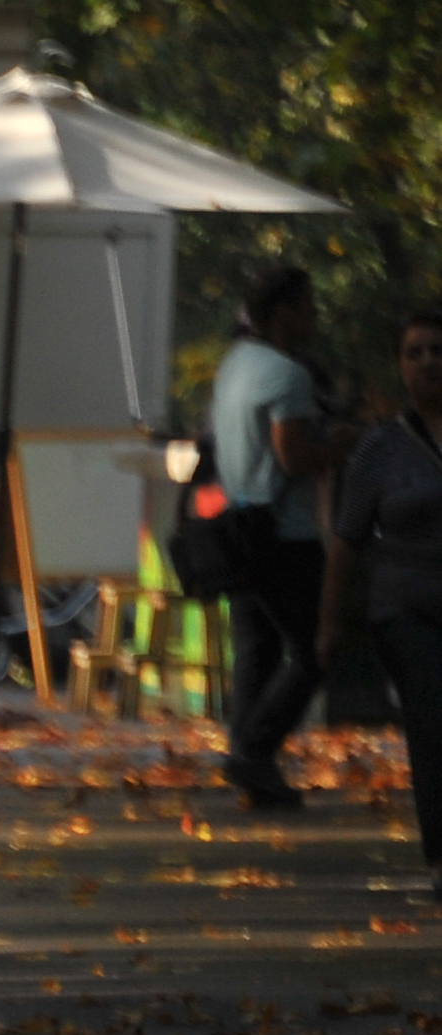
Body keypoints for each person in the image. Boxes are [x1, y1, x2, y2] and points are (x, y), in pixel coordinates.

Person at [212, 265, 341, 813]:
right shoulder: (288, 375)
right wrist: (343, 444)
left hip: (236, 523)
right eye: (309, 304)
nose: (315, 315)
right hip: (284, 533)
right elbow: (293, 456)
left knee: (257, 647)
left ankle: (249, 759)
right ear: (285, 313)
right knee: (318, 646)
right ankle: (257, 749)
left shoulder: (236, 363)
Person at [325, 307, 442, 897]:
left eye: (436, 351)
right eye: (413, 353)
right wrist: (329, 622)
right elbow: (346, 540)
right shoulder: (380, 449)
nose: (426, 364)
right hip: (406, 608)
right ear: (399, 366)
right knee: (430, 719)